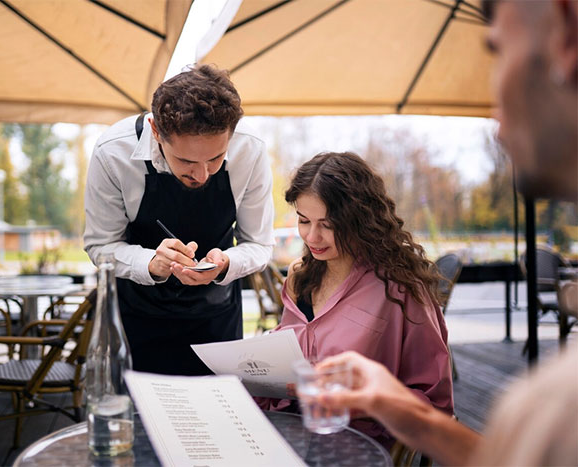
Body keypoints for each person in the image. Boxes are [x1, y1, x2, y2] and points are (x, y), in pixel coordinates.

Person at [309, 1, 578, 465]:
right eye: (303, 220)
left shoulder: (555, 406)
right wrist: (406, 413)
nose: (496, 123)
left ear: (566, 30)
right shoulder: (551, 407)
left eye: (499, 51)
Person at [84, 65, 274, 376]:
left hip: (217, 319)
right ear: (156, 131)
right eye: (186, 160)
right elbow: (100, 245)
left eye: (215, 158)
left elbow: (260, 244)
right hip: (137, 320)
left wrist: (226, 262)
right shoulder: (113, 152)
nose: (201, 175)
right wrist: (150, 263)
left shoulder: (250, 149)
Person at [258, 152, 453, 446]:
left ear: (360, 219)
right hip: (291, 431)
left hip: (357, 444)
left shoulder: (399, 288)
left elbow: (434, 401)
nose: (312, 237)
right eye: (303, 221)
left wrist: (357, 401)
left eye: (328, 224)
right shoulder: (300, 278)